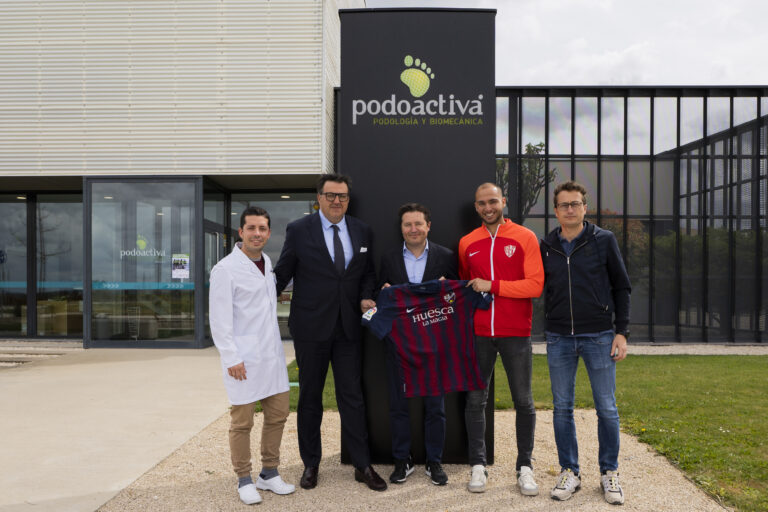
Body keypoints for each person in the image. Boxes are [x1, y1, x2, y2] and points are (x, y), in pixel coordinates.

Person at [274, 173, 387, 492]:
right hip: (311, 327)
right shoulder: (299, 229)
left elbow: (368, 274)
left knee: (352, 397)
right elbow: (282, 272)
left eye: (343, 196)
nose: (337, 201)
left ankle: (362, 464)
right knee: (310, 397)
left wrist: (366, 295)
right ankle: (311, 464)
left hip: (349, 328)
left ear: (348, 199)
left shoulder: (362, 230)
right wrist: (256, 300)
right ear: (319, 198)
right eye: (331, 195)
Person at [540, 181, 631, 505]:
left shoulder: (603, 240)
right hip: (559, 337)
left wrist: (622, 332)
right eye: (564, 205)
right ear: (556, 211)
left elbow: (621, 287)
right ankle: (570, 472)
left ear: (584, 207)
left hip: (599, 336)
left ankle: (609, 473)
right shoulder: (546, 246)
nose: (570, 209)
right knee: (562, 407)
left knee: (606, 407)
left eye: (575, 204)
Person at [459, 183, 544, 496]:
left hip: (516, 333)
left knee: (523, 401)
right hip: (479, 334)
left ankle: (525, 467)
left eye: (493, 201)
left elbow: (535, 285)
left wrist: (492, 285)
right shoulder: (467, 242)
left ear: (503, 202)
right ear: (476, 207)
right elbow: (466, 286)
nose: (488, 207)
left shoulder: (525, 237)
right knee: (475, 400)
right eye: (482, 203)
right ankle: (477, 465)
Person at [209, 206, 295, 505]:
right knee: (242, 422)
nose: (257, 234)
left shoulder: (267, 263)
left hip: (271, 357)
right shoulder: (225, 269)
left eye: (262, 229)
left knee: (278, 415)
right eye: (251, 228)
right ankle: (244, 479)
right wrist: (231, 357)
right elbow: (219, 320)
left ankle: (269, 473)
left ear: (268, 233)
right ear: (241, 232)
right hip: (243, 359)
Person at [378, 203, 458, 486]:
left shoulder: (446, 257)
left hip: (434, 344)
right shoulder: (388, 258)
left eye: (418, 224)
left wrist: (446, 290)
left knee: (435, 407)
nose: (413, 229)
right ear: (401, 228)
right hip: (399, 345)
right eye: (407, 224)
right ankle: (403, 459)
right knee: (398, 405)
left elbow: (456, 298)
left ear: (428, 226)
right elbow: (376, 295)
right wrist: (382, 294)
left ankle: (434, 461)